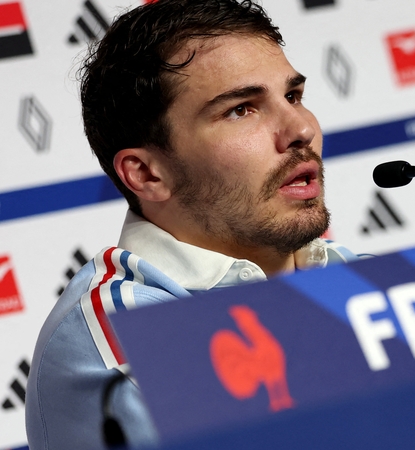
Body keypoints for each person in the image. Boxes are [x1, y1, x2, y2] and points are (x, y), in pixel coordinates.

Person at [25, 1, 359, 448]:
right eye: (242, 109)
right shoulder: (129, 330)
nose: (300, 128)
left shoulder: (352, 274)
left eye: (293, 96)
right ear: (146, 174)